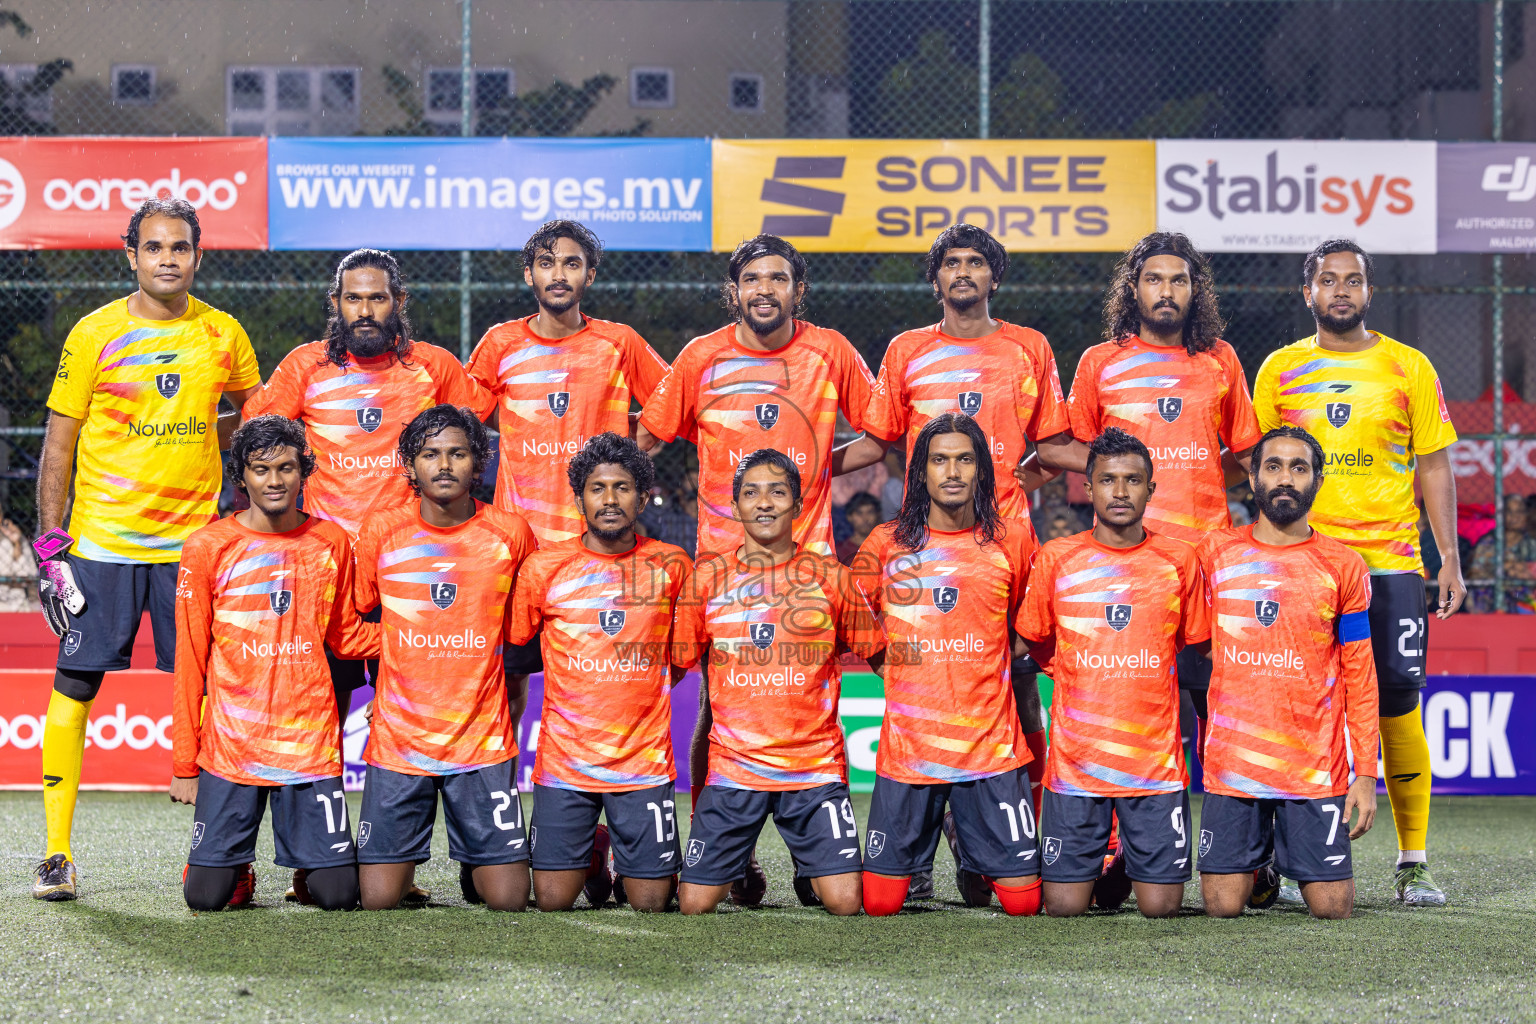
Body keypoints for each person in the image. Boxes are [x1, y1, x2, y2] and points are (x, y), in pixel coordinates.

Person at [32, 198, 262, 901]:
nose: (168, 258)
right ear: (130, 255)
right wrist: (50, 544)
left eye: (181, 247)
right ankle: (56, 854)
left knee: (217, 693)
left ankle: (220, 858)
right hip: (102, 546)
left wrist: (238, 491)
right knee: (75, 684)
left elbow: (253, 419)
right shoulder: (94, 332)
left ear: (198, 255)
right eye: (154, 247)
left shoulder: (224, 334)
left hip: (193, 550)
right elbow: (60, 441)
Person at [637, 234, 878, 900]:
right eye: (751, 279)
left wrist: (823, 464)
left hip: (811, 563)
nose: (764, 289)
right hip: (722, 565)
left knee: (810, 705)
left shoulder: (830, 351)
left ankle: (814, 859)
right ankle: (725, 855)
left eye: (778, 278)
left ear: (798, 290)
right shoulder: (701, 356)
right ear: (733, 290)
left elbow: (883, 434)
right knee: (716, 711)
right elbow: (647, 439)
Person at [1254, 239, 1463, 907]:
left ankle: (1414, 863)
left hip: (1392, 564)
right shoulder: (1280, 370)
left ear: (1369, 292)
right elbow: (1260, 468)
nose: (1340, 290)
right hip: (1304, 566)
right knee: (1299, 705)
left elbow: (1433, 465)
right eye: (1328, 280)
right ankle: (1290, 864)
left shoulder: (1408, 367)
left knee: (1400, 699)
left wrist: (1448, 558)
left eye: (1353, 280)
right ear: (1307, 292)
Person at [1068, 231, 1261, 768]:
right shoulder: (1098, 363)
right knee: (1130, 704)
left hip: (1207, 557)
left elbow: (1247, 453)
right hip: (1129, 561)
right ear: (1134, 289)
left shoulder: (1221, 359)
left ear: (1195, 290)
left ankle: (1242, 850)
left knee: (1220, 708)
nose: (1167, 290)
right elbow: (1074, 452)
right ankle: (1126, 847)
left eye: (1179, 279)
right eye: (1154, 279)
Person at [170, 415, 374, 912]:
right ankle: (235, 868)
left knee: (338, 896)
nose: (275, 480)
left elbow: (347, 635)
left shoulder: (332, 542)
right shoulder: (207, 547)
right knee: (207, 899)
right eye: (261, 469)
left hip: (307, 747)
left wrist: (422, 640)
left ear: (304, 472)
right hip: (229, 748)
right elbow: (190, 657)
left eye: (286, 467)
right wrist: (183, 763)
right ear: (241, 476)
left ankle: (310, 869)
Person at [670, 449, 883, 916]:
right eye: (751, 492)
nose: (764, 503)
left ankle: (811, 865)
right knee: (694, 905)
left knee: (846, 904)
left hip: (813, 769)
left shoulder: (834, 579)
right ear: (734, 504)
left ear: (798, 504)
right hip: (733, 769)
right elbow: (678, 662)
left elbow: (882, 658)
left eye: (777, 491)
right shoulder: (705, 579)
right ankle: (736, 862)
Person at [1015, 428, 1207, 918]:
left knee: (1160, 909)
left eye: (1132, 480)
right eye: (1107, 480)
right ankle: (1107, 858)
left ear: (1151, 489)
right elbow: (1032, 640)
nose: (1120, 492)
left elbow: (1193, 646)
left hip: (1154, 768)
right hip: (1075, 767)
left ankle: (1127, 859)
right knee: (1063, 909)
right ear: (1088, 487)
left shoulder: (1180, 560)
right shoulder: (1057, 558)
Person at [352, 405, 537, 912]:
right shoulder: (381, 531)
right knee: (378, 903)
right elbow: (365, 617)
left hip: (480, 741)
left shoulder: (511, 533)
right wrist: (384, 679)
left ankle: (480, 863)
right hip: (400, 743)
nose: (445, 465)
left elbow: (522, 631)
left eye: (458, 453)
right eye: (430, 454)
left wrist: (511, 696)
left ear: (478, 462)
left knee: (508, 903)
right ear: (409, 466)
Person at [856, 414, 1041, 918]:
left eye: (965, 459)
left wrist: (997, 656)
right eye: (939, 460)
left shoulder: (1014, 541)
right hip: (909, 752)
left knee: (1024, 905)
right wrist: (890, 665)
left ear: (982, 470)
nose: (952, 471)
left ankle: (966, 849)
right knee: (878, 904)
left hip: (990, 749)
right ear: (921, 473)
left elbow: (1035, 618)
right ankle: (941, 833)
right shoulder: (885, 543)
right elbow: (853, 615)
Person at [1195, 426, 1379, 920]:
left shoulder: (1344, 566)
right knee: (1221, 907)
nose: (1285, 478)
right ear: (1252, 476)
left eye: (1299, 468)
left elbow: (1360, 673)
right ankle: (1262, 866)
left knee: (1333, 908)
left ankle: (1277, 853)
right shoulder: (1213, 554)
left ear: (1317, 480)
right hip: (1235, 766)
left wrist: (1365, 774)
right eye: (1272, 466)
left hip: (1312, 767)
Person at [507, 433, 692, 913]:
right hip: (564, 764)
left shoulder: (673, 566)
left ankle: (617, 849)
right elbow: (519, 651)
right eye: (597, 488)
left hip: (642, 763)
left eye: (623, 487)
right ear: (578, 498)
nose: (610, 499)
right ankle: (593, 850)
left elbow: (679, 655)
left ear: (644, 496)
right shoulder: (544, 568)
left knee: (651, 904)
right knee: (551, 903)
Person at [1469, 493, 1536, 612]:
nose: (1515, 517)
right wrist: (1503, 570)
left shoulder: (1531, 544)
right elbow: (1475, 572)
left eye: (1520, 511)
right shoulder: (1489, 542)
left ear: (1526, 515)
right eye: (1509, 512)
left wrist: (1522, 571)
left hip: (1524, 594)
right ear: (1502, 515)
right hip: (1492, 591)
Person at [836, 492, 881, 566]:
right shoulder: (839, 552)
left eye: (870, 512)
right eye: (859, 513)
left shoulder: (884, 548)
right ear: (849, 517)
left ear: (877, 515)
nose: (865, 518)